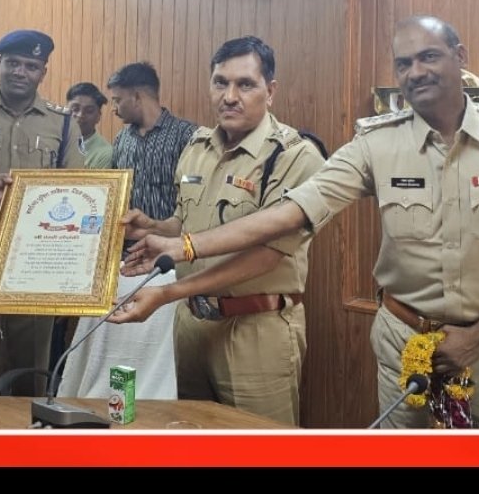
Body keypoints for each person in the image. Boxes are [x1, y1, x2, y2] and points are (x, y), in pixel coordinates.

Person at [122, 17, 479, 429]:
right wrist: (177, 242)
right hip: (403, 341)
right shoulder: (377, 142)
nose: (416, 72)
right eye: (403, 63)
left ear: (460, 57)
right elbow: (293, 211)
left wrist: (478, 337)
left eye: (429, 57)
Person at [109, 37, 325, 426]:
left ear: (270, 91)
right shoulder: (197, 147)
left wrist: (170, 292)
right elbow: (185, 221)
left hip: (255, 329)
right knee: (194, 441)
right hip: (192, 323)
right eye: (220, 83)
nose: (230, 96)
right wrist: (153, 227)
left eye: (245, 84)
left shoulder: (294, 156)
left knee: (258, 448)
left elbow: (266, 256)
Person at [56, 61, 199, 402]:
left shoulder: (189, 137)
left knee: (158, 359)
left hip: (170, 265)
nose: (115, 108)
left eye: (118, 100)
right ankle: (113, 406)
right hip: (125, 264)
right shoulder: (122, 140)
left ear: (137, 96)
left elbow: (194, 203)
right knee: (116, 352)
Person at [0, 29, 85, 395]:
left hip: (34, 259)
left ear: (43, 72)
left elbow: (76, 189)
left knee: (31, 367)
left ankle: (28, 430)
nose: (19, 72)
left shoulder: (62, 123)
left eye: (30, 66)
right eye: (12, 63)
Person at [67, 82, 113, 169]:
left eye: (89, 111)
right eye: (75, 109)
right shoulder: (53, 142)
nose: (80, 115)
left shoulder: (105, 154)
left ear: (98, 116)